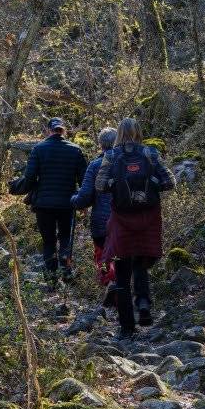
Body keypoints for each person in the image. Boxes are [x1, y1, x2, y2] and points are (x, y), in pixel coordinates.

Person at [85, 117, 173, 339]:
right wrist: (150, 184)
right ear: (138, 132)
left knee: (122, 273)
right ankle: (143, 303)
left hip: (121, 220)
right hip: (148, 219)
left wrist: (116, 186)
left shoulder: (111, 156)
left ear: (119, 134)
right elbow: (170, 182)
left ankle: (126, 328)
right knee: (141, 264)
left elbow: (99, 185)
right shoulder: (150, 153)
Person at [10, 117, 88, 285]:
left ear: (48, 130)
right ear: (64, 130)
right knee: (66, 237)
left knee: (48, 241)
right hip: (68, 204)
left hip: (44, 205)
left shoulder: (38, 149)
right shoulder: (76, 150)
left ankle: (51, 279)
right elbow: (84, 180)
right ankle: (66, 272)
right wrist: (83, 204)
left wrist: (16, 187)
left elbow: (30, 178)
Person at [70, 126, 119, 298]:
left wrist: (73, 200)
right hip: (126, 220)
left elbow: (85, 197)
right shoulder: (128, 162)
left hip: (101, 222)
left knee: (103, 254)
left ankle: (109, 285)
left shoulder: (96, 165)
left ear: (100, 145)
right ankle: (120, 286)